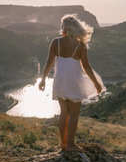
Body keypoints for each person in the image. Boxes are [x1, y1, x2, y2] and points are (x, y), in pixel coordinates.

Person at [38, 14, 104, 152]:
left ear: (64, 27)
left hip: (60, 80)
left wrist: (43, 79)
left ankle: (63, 144)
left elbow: (49, 62)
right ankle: (70, 145)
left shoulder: (56, 42)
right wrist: (96, 83)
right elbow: (86, 66)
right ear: (77, 28)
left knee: (64, 112)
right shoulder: (80, 45)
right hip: (74, 81)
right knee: (74, 114)